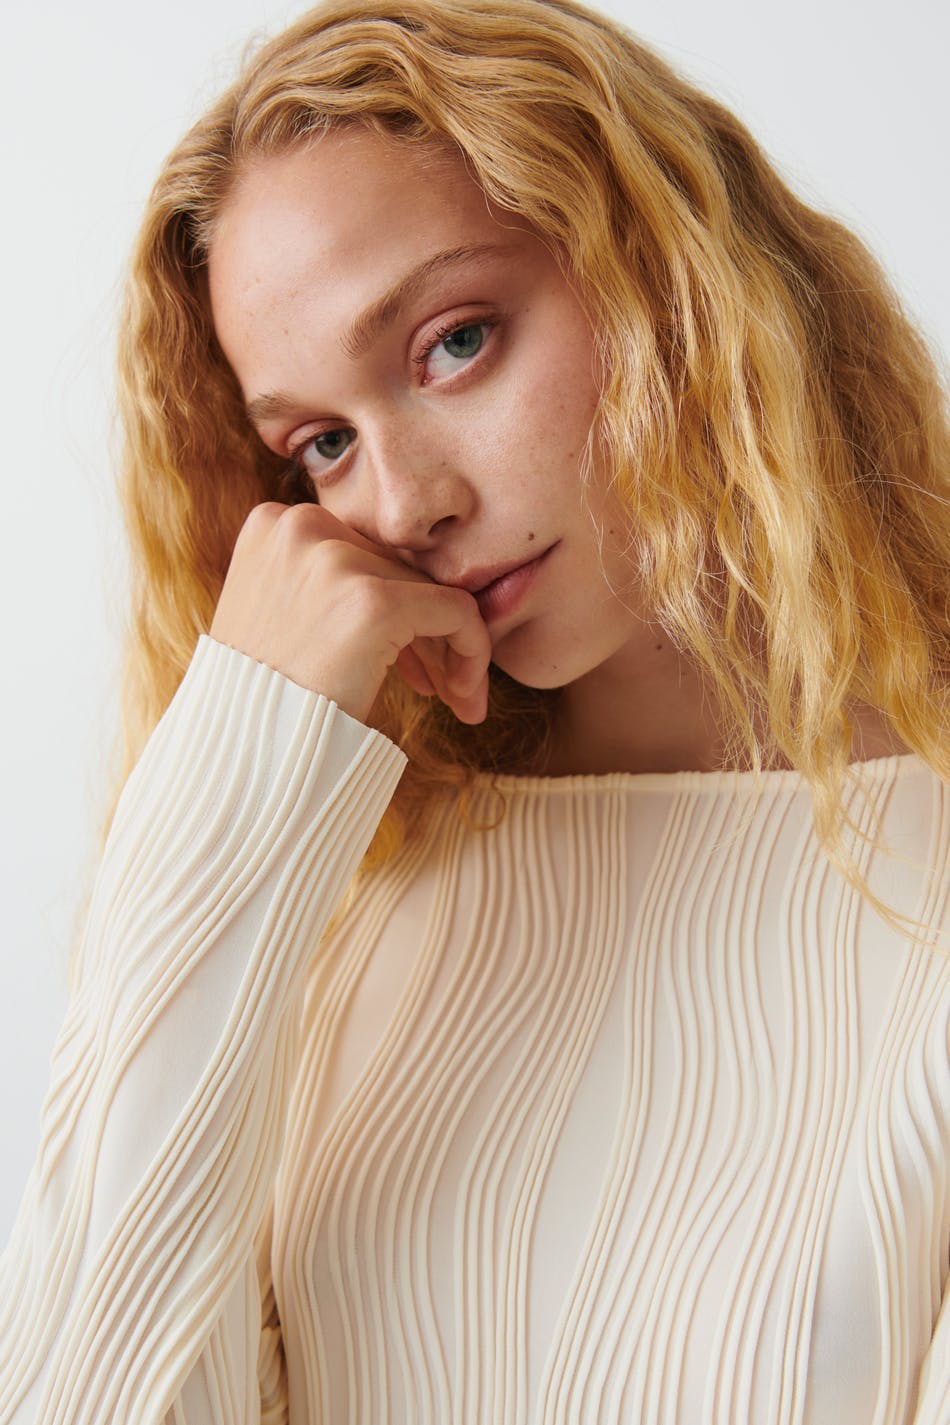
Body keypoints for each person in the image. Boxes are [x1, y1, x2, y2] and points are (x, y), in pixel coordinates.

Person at [0, 0, 947, 1419]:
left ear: (671, 273)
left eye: (454, 343)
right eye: (323, 443)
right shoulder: (333, 893)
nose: (403, 505)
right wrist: (242, 770)